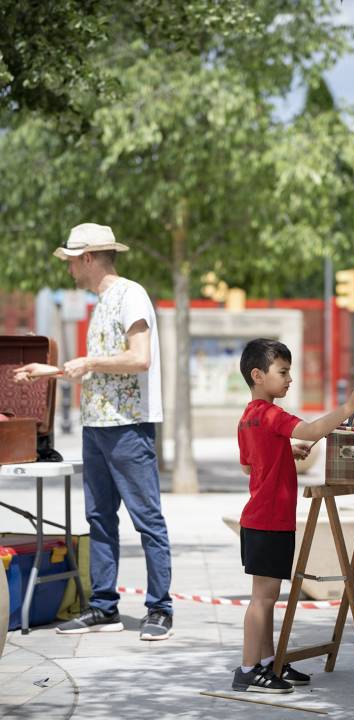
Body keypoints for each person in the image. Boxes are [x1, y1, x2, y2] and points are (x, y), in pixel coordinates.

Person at [15, 223, 173, 641]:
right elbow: (97, 366)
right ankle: (104, 608)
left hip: (129, 426)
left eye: (70, 260)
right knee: (99, 519)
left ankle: (160, 608)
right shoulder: (101, 303)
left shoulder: (130, 294)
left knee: (147, 519)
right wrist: (50, 371)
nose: (67, 268)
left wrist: (89, 363)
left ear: (88, 258)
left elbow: (139, 359)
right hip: (98, 426)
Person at [232, 338, 354, 694]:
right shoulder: (271, 414)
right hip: (269, 520)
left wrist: (282, 450)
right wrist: (349, 406)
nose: (290, 378)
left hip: (258, 520)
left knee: (267, 596)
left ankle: (266, 663)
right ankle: (247, 669)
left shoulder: (248, 418)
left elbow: (248, 465)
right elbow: (312, 430)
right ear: (258, 375)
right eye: (283, 371)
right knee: (262, 599)